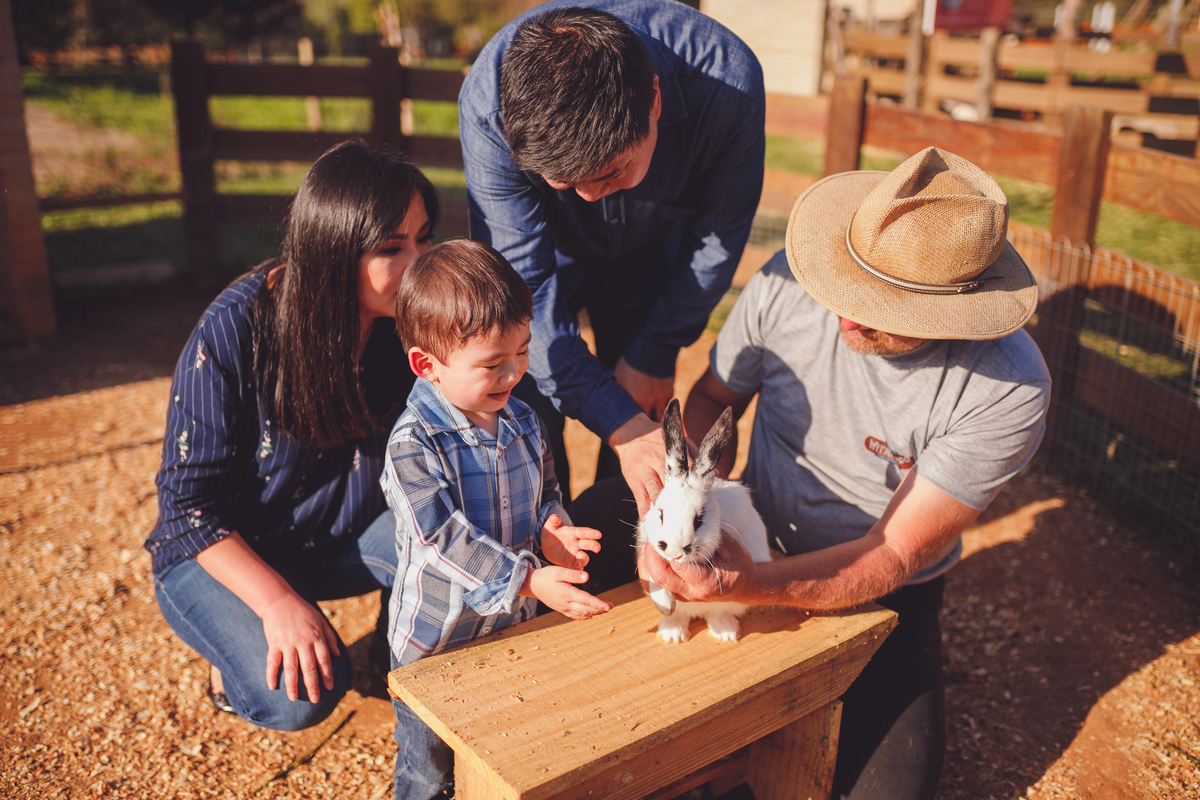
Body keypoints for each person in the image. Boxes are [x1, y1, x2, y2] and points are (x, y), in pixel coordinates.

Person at [583, 147, 1052, 799]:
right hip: (746, 526)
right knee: (585, 523)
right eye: (848, 283)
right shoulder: (787, 284)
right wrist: (682, 490)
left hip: (877, 587)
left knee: (887, 788)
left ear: (954, 311)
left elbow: (891, 553)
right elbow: (716, 397)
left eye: (884, 308)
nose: (847, 316)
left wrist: (751, 583)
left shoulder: (1007, 388)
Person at [145, 139, 439, 732]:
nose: (418, 262)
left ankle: (391, 648)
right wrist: (277, 601)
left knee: (444, 551)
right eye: (391, 247)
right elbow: (187, 511)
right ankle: (230, 657)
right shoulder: (233, 330)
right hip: (228, 549)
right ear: (333, 252)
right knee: (300, 697)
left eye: (424, 238)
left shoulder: (412, 320)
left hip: (340, 534)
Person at [458, 0, 765, 511]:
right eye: (564, 181)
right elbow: (521, 291)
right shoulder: (490, 103)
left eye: (609, 174)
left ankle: (621, 544)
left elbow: (718, 237)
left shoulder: (728, 86)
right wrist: (616, 419)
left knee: (638, 422)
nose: (587, 196)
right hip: (545, 252)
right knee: (525, 400)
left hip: (653, 257)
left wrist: (656, 348)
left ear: (655, 101)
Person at [384, 238, 613, 799]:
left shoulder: (523, 423)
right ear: (426, 365)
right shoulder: (413, 444)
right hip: (435, 646)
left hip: (512, 632)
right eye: (492, 363)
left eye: (523, 351)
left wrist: (552, 529)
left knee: (508, 749)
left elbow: (545, 494)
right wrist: (530, 578)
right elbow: (440, 537)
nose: (514, 373)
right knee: (427, 771)